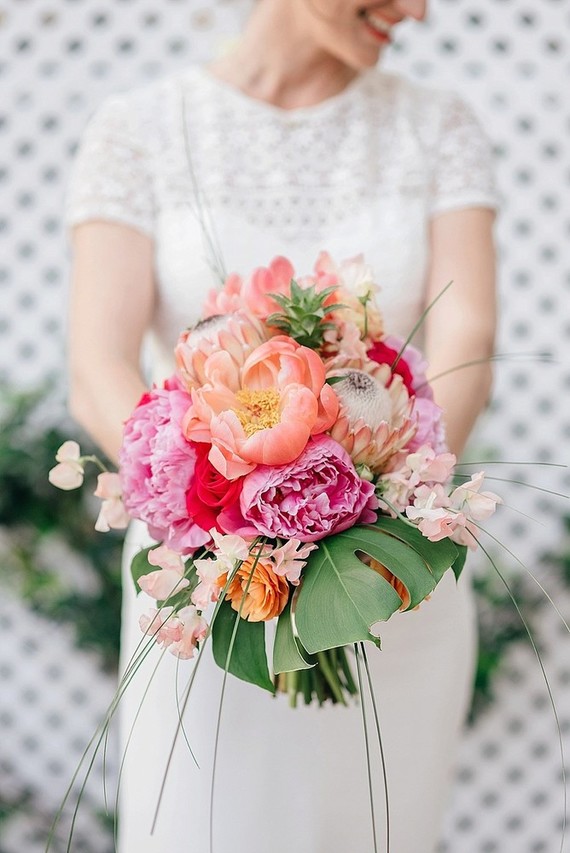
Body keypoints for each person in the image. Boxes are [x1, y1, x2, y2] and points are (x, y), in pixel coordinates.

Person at [65, 1, 497, 851]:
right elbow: (96, 367)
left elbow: (467, 341)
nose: (417, 9)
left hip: (389, 576)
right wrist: (217, 526)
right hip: (206, 585)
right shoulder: (139, 130)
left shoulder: (438, 125)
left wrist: (375, 508)